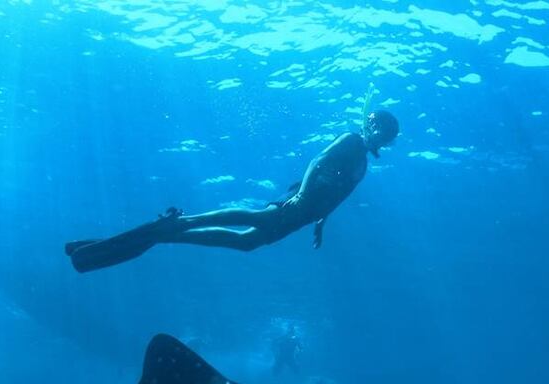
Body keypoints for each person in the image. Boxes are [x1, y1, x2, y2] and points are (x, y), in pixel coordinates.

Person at [65, 110, 400, 273]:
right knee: (255, 218)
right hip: (299, 203)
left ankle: (173, 232)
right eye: (382, 131)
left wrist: (321, 222)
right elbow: (317, 161)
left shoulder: (363, 164)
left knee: (247, 242)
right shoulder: (351, 140)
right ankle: (181, 223)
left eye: (387, 137)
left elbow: (340, 195)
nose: (383, 138)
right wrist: (303, 195)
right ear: (373, 127)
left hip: (307, 214)